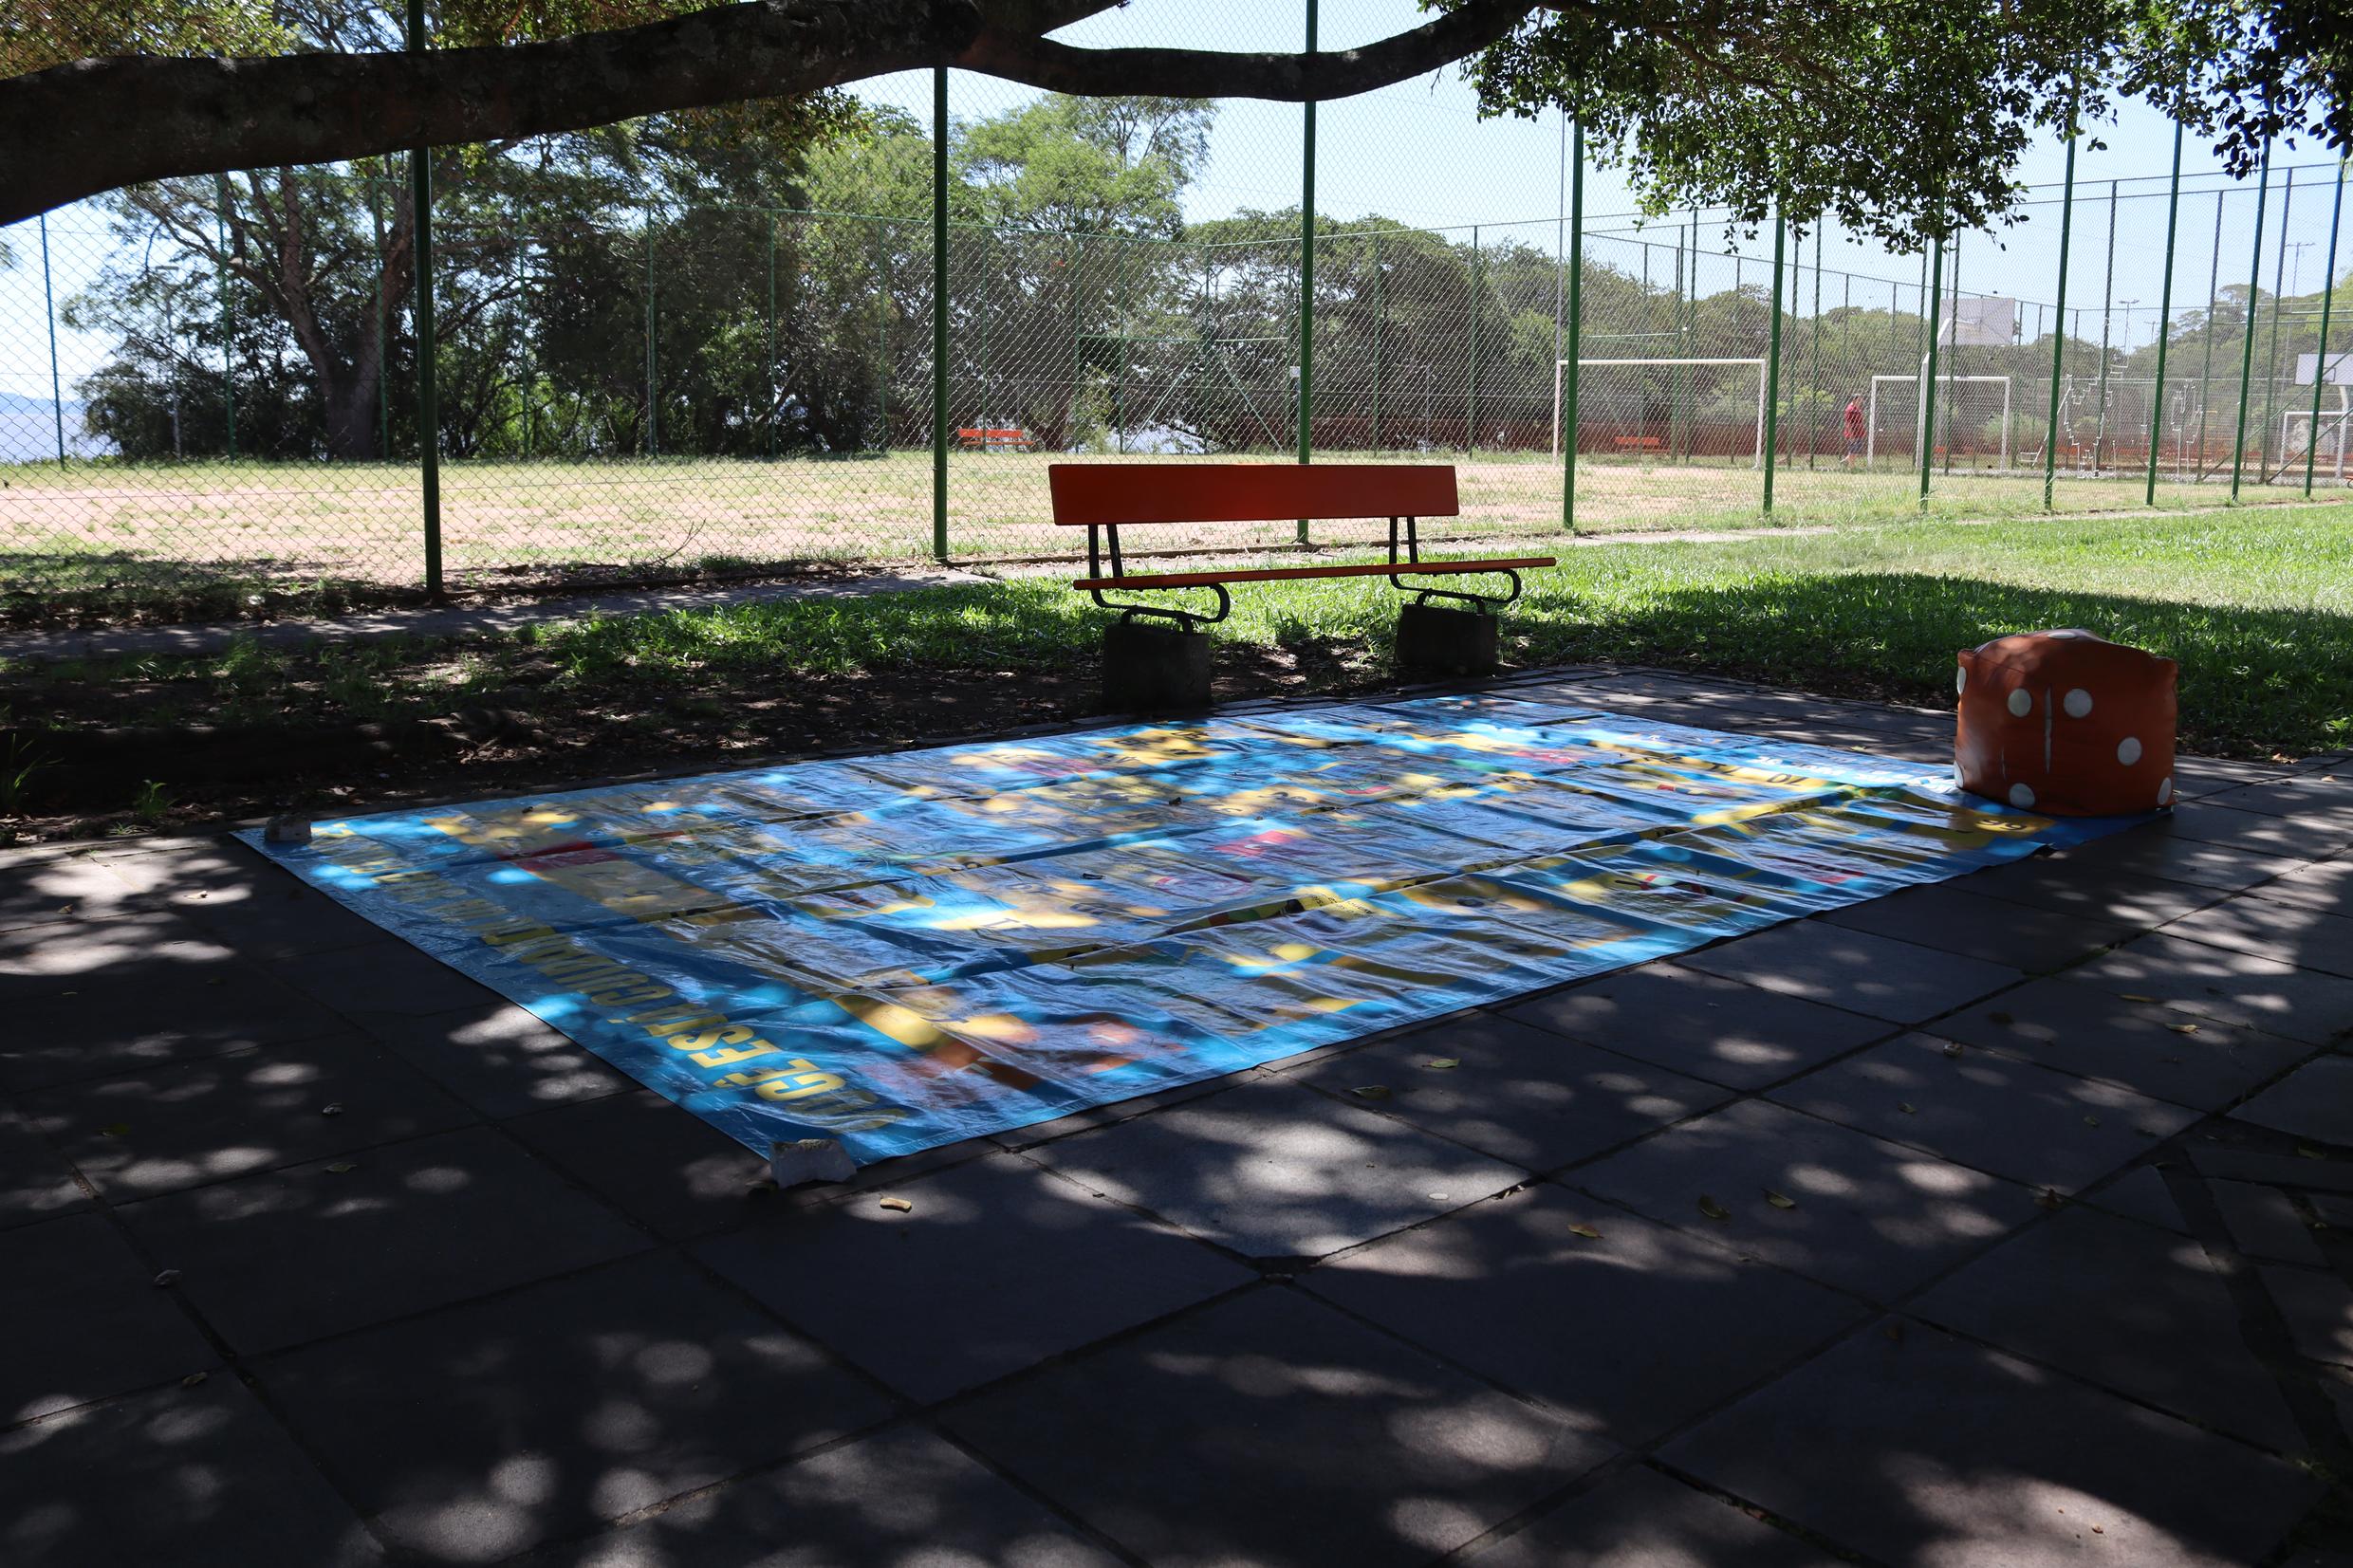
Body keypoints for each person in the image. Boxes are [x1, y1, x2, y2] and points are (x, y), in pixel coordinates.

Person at [1843, 395, 1866, 468]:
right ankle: (1851, 467)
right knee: (1853, 450)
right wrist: (1851, 435)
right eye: (1859, 400)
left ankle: (1845, 462)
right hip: (1853, 434)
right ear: (1854, 400)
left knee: (1856, 450)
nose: (1860, 402)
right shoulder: (1850, 409)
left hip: (1858, 433)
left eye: (1861, 400)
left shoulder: (1857, 408)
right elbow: (1848, 423)